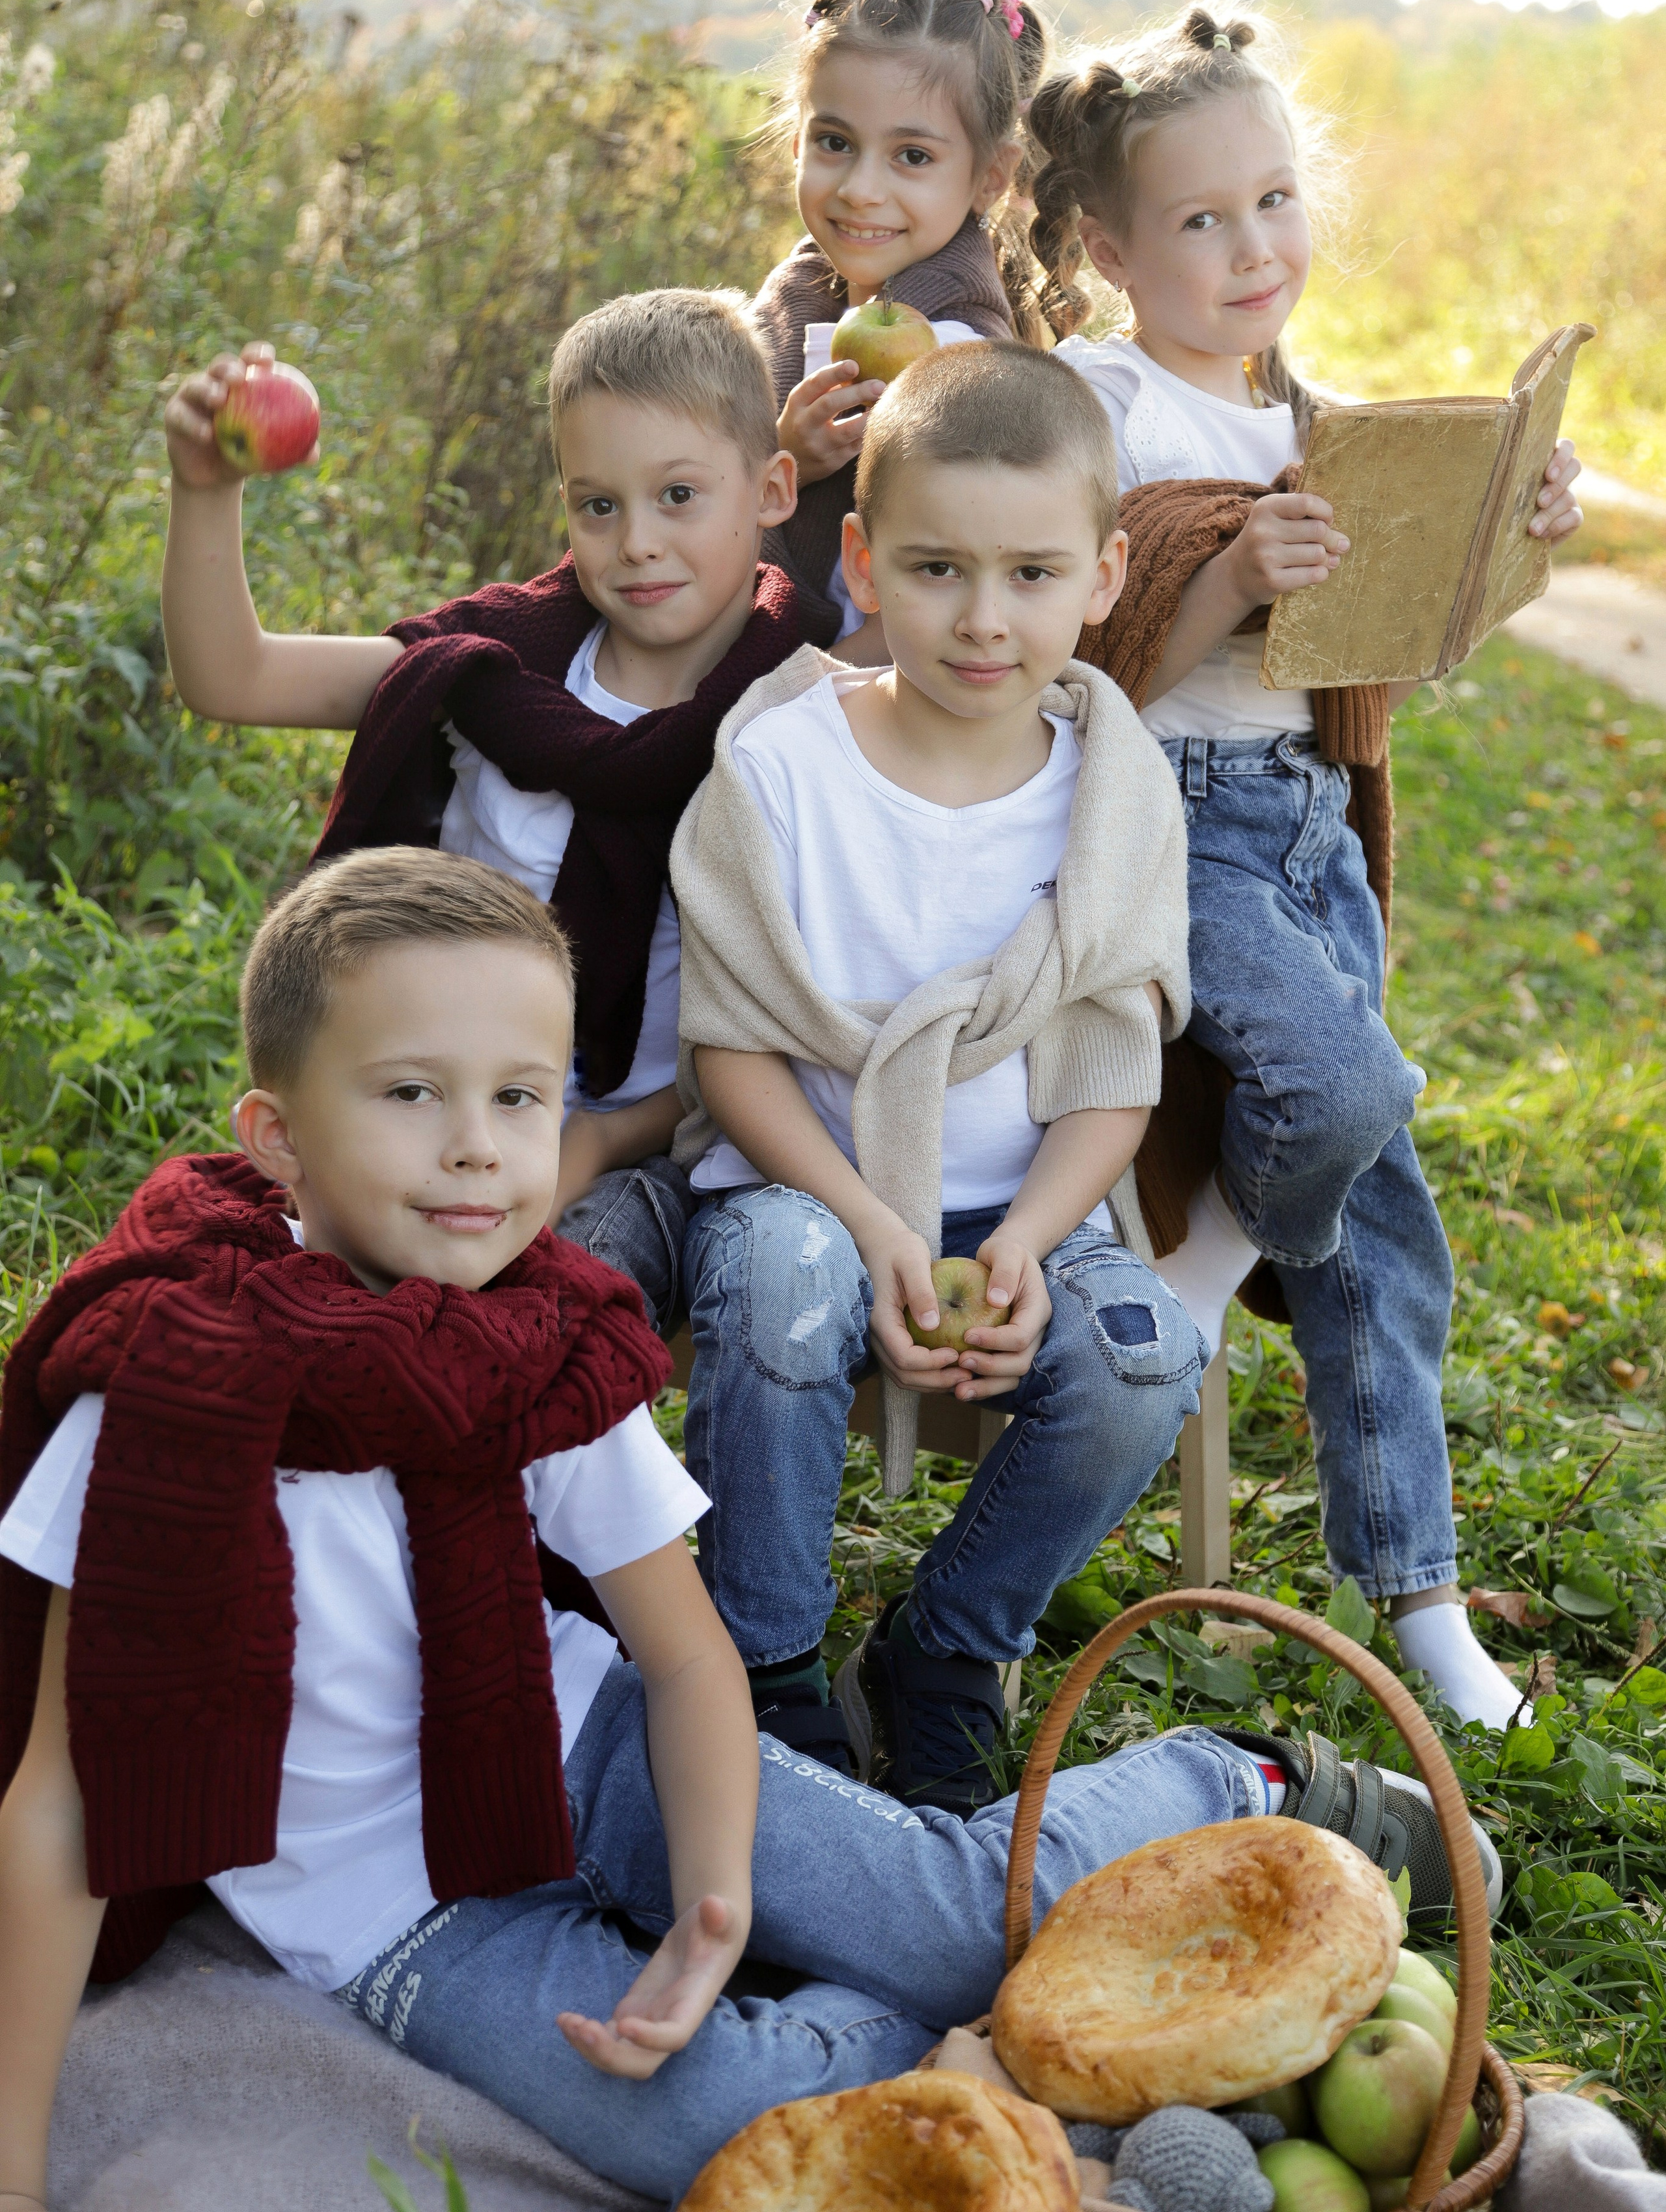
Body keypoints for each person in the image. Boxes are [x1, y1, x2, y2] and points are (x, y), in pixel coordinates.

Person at [0, 845, 1495, 2210]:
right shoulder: (170, 1394)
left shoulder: (538, 1349)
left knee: (945, 1907)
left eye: (520, 1096)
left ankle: (1239, 1782)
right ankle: (983, 2049)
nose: (476, 1149)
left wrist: (716, 1904)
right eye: (409, 1093)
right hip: (402, 1915)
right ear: (275, 1134)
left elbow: (683, 1652)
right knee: (697, 2123)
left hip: (586, 1743)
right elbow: (66, 1798)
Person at [1023, 1, 1585, 1729]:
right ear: (1109, 248)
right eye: (1201, 219)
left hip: (1307, 829)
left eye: (1275, 201)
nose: (1253, 246)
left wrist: (1511, 548)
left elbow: (1386, 658)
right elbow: (1088, 649)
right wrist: (1226, 573)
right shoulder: (1103, 406)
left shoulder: (1319, 419)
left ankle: (1419, 1598)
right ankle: (1193, 1276)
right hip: (1163, 817)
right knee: (1346, 1091)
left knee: (1389, 1245)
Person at [671, 339, 1207, 1806]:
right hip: (813, 1194)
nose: (983, 621)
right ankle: (765, 1663)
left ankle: (948, 1645)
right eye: (934, 570)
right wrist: (874, 1226)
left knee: (1150, 1357)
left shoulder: (1109, 791)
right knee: (782, 1282)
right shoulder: (781, 769)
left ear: (1102, 574)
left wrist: (1029, 1243)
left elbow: (1111, 1066)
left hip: (1014, 1214)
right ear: (859, 557)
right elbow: (732, 1052)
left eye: (1032, 576)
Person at [159, 288, 810, 1333]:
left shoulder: (799, 718)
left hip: (643, 1144)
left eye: (679, 495)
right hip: (425, 1114)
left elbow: (786, 1023)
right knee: (246, 1303)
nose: (636, 542)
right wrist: (204, 489)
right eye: (598, 505)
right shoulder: (489, 673)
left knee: (547, 1310)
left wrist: (589, 1146)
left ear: (773, 487)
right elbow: (234, 678)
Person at [752, 0, 1049, 657]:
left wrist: (774, 703)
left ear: (988, 179)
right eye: (834, 143)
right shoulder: (790, 304)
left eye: (911, 156)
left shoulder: (957, 358)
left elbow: (952, 601)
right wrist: (786, 455)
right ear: (797, 145)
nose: (860, 188)